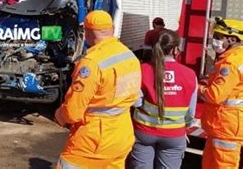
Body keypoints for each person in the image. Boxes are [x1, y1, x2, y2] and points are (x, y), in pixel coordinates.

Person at [55, 10, 142, 168]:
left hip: (94, 139)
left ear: (87, 33)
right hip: (122, 133)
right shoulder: (129, 56)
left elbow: (73, 112)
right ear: (112, 28)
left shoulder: (91, 64)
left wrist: (59, 116)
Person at [128, 30, 197, 169]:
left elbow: (136, 102)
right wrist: (186, 127)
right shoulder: (190, 74)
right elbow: (191, 111)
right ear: (175, 49)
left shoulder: (143, 69)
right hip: (174, 134)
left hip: (144, 131)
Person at [199, 17, 243, 169]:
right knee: (210, 164)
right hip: (221, 126)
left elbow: (215, 95)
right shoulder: (234, 58)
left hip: (226, 127)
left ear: (231, 39)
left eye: (218, 37)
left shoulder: (230, 63)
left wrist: (198, 88)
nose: (214, 41)